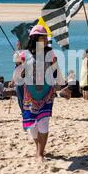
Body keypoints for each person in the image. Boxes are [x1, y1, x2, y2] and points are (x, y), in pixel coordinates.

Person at [14, 25, 70, 162]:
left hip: (47, 94)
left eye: (45, 38)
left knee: (43, 122)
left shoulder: (51, 54)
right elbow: (17, 75)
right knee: (31, 125)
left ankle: (40, 153)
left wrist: (64, 87)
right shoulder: (24, 55)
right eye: (41, 38)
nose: (44, 40)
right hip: (29, 95)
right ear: (34, 39)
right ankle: (38, 147)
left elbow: (56, 72)